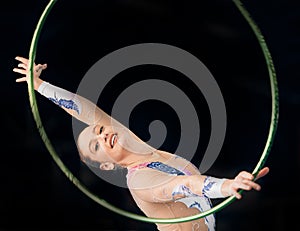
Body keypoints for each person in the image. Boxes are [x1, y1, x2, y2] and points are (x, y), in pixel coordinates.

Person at [13, 56, 270, 231]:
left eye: (101, 129)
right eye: (96, 145)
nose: (102, 134)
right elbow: (186, 185)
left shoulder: (140, 150)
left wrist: (40, 85)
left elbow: (84, 110)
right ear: (105, 165)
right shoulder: (140, 180)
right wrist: (228, 185)